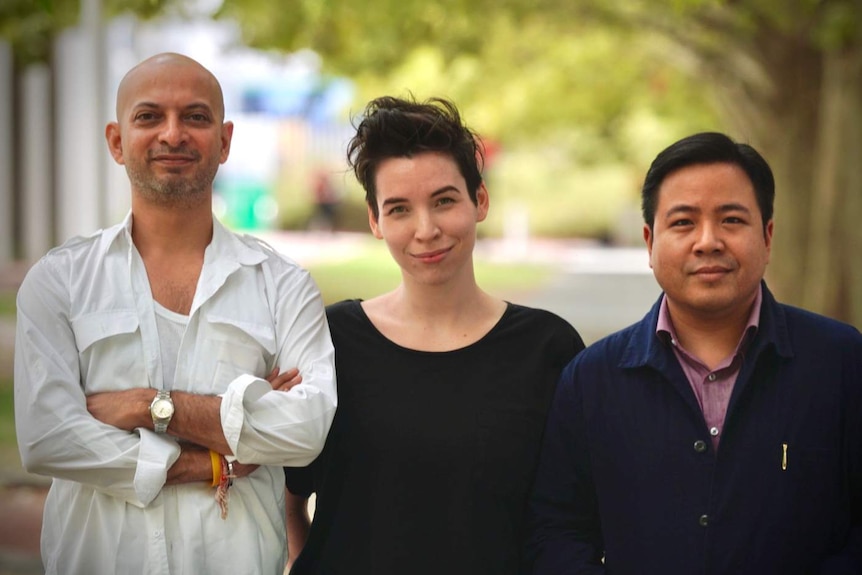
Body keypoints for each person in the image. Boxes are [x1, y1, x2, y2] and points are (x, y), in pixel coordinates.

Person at [13, 53, 337, 575]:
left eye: (195, 116)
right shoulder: (60, 282)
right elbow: (48, 437)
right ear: (116, 141)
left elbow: (303, 432)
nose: (173, 134)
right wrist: (212, 458)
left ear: (225, 141)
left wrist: (147, 406)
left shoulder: (282, 285)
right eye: (149, 117)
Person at [524, 132, 862, 574]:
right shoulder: (591, 379)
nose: (708, 241)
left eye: (732, 221)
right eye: (683, 222)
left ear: (768, 236)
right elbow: (558, 532)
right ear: (650, 242)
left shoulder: (840, 361)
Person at [283, 96, 585, 574]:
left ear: (479, 201)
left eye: (444, 201)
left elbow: (574, 518)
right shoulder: (330, 340)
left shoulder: (548, 349)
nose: (426, 230)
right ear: (375, 221)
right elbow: (286, 495)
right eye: (399, 209)